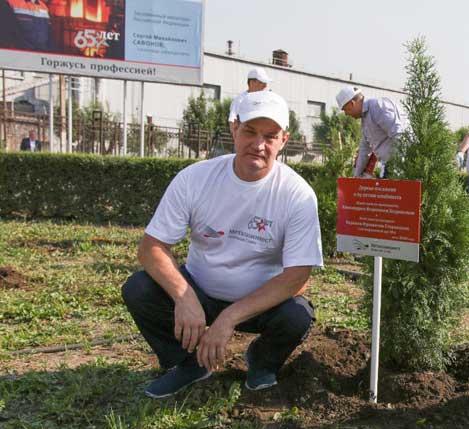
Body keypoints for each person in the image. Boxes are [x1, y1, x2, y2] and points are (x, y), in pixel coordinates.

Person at [122, 90, 323, 398]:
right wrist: (185, 297)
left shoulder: (297, 195)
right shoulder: (196, 178)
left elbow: (297, 276)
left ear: (284, 140)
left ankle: (262, 361)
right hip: (200, 291)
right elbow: (151, 248)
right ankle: (188, 363)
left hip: (261, 304)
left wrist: (229, 318)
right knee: (139, 288)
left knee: (297, 314)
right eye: (250, 132)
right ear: (234, 128)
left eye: (270, 136)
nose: (259, 145)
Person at [336, 86, 409, 177]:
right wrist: (356, 175)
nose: (346, 114)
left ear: (352, 103)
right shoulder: (365, 118)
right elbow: (364, 149)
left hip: (401, 166)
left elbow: (400, 135)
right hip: (389, 165)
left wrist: (396, 168)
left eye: (345, 109)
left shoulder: (377, 107)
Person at [228, 68, 272, 138]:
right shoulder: (240, 100)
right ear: (252, 83)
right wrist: (237, 139)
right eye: (261, 82)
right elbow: (232, 121)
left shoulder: (266, 100)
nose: (265, 86)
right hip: (244, 142)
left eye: (265, 83)